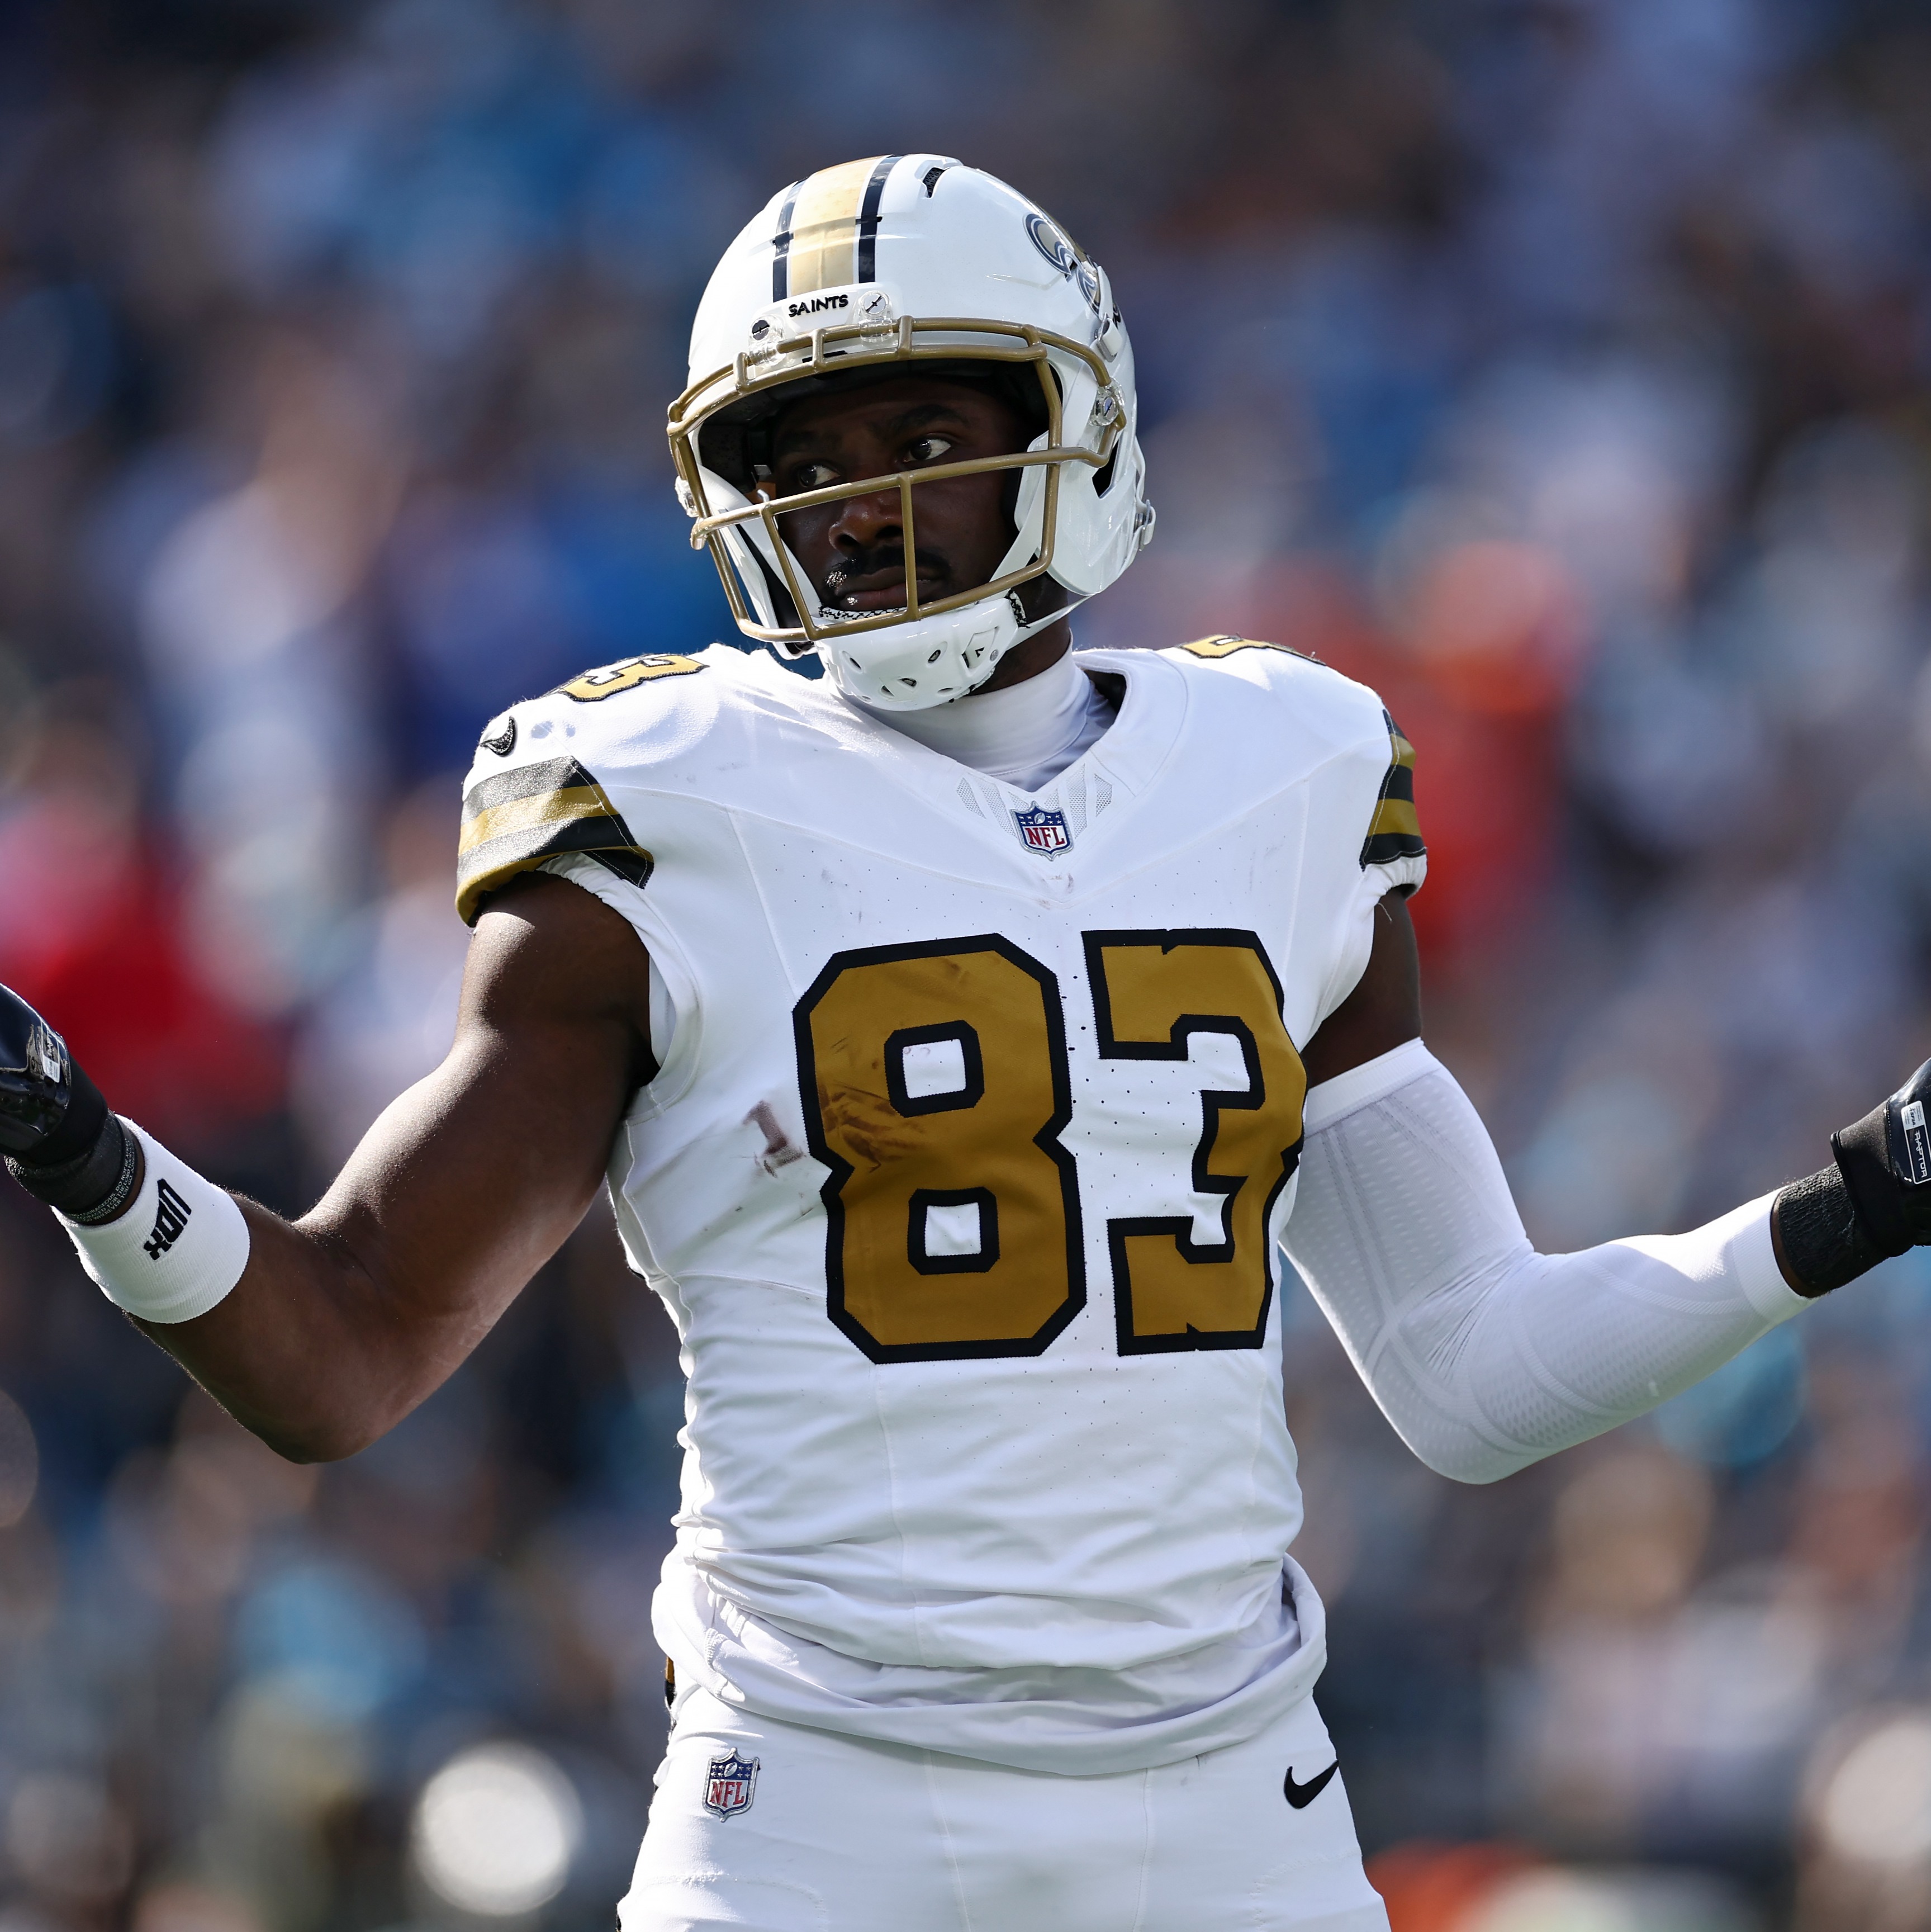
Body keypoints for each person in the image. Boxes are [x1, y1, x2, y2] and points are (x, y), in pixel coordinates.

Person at [2, 156, 1928, 1931]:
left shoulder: (1287, 770)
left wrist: (1854, 1205)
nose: (859, 503)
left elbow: (1468, 1372)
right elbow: (341, 1353)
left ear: (1070, 430)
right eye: (804, 454)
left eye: (923, 433)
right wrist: (85, 1148)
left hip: (1227, 1806)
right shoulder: (659, 798)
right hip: (816, 1812)